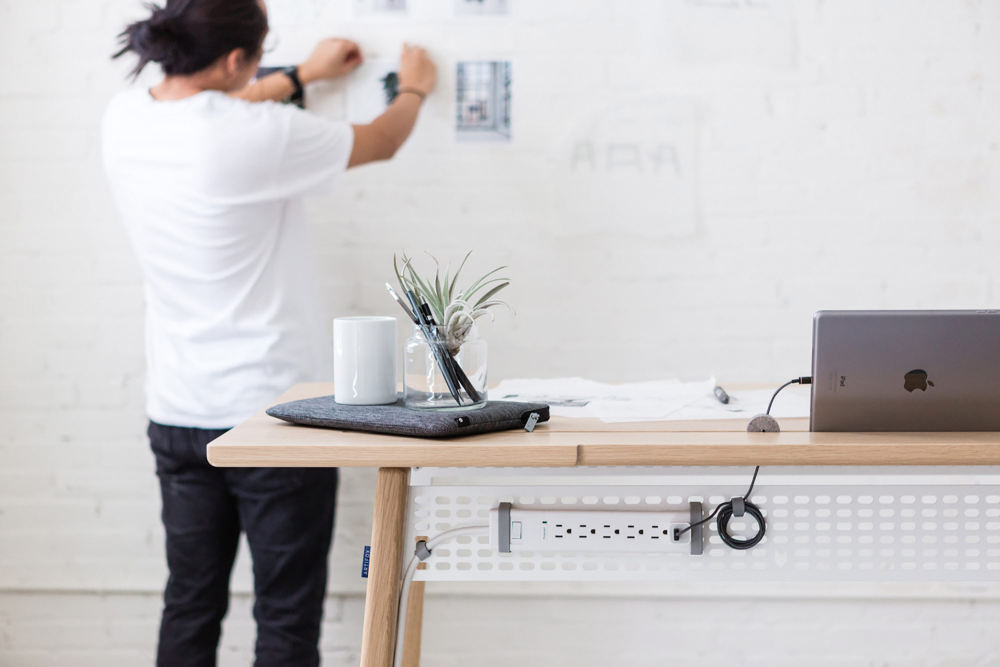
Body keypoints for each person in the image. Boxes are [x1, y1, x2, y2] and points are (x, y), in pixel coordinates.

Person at [101, 1, 436, 665]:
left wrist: (299, 74)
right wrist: (417, 86)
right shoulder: (259, 134)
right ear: (234, 59)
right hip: (272, 418)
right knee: (285, 613)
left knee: (189, 601)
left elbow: (222, 110)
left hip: (177, 410)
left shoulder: (126, 115)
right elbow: (383, 139)